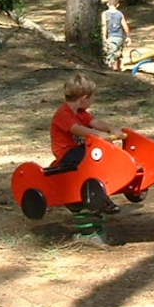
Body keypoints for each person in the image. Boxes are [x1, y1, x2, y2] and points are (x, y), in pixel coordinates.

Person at [50, 72, 122, 214]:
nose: (93, 100)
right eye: (92, 97)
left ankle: (95, 194)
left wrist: (110, 129)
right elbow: (78, 129)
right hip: (66, 153)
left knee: (102, 154)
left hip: (78, 150)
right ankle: (101, 199)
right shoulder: (63, 114)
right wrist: (99, 135)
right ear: (83, 99)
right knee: (95, 160)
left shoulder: (81, 113)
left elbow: (95, 122)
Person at [102, 0, 132, 70]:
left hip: (111, 37)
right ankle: (118, 68)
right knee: (118, 53)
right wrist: (128, 36)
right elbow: (125, 25)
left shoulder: (105, 13)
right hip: (120, 37)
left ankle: (114, 70)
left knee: (112, 54)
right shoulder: (120, 14)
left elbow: (104, 26)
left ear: (107, 4)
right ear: (117, 5)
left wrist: (104, 37)